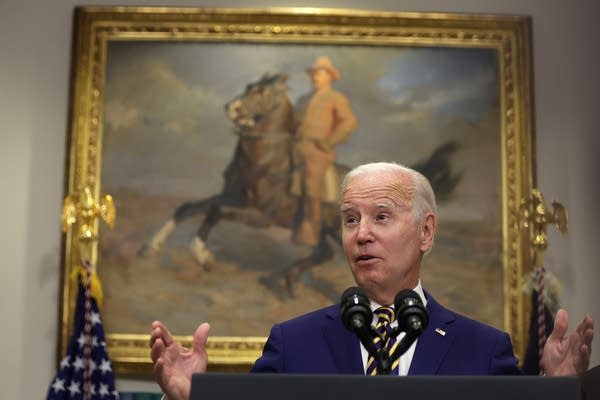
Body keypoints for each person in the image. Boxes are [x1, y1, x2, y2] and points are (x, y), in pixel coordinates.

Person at [150, 162, 594, 400]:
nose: (361, 233)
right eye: (349, 219)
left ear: (426, 232)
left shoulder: (483, 349)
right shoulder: (293, 343)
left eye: (381, 217)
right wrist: (191, 399)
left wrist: (556, 392)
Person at [291, 56, 357, 247]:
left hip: (319, 151)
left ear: (330, 76)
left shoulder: (336, 98)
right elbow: (293, 123)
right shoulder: (303, 99)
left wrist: (329, 142)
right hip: (297, 147)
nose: (315, 77)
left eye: (319, 73)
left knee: (311, 185)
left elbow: (349, 122)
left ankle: (311, 230)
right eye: (313, 73)